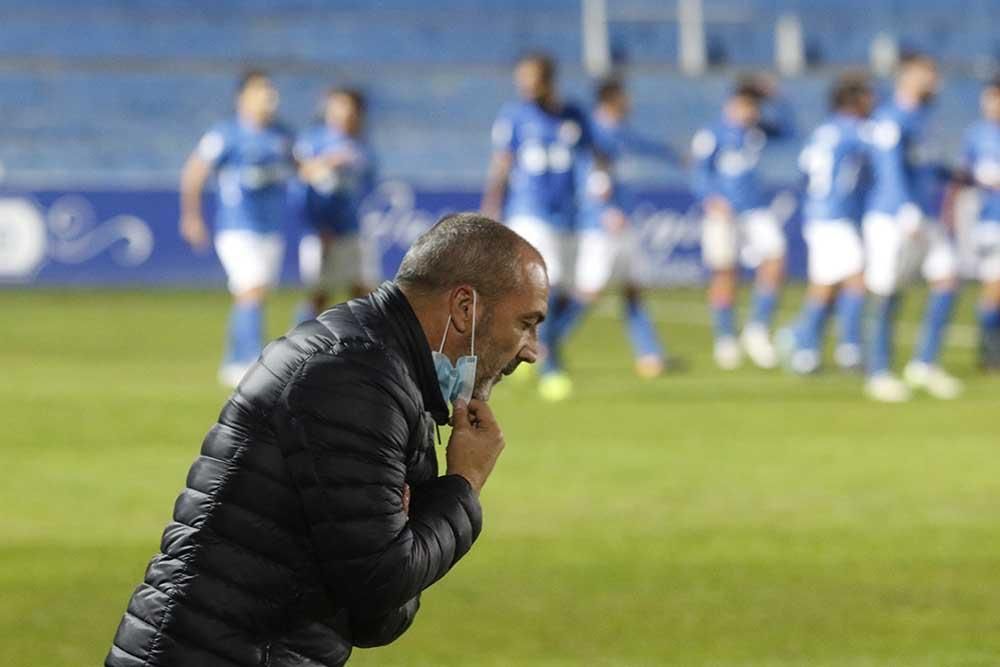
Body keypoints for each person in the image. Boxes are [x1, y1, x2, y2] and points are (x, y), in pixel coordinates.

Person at [105, 213, 548, 667]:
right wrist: (464, 484)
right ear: (464, 308)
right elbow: (382, 582)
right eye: (526, 323)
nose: (532, 350)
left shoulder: (385, 371)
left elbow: (377, 618)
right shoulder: (355, 378)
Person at [482, 52, 609, 401]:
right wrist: (491, 209)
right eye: (522, 78)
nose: (525, 85)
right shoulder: (514, 117)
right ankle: (551, 366)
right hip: (529, 213)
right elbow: (502, 165)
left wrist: (599, 185)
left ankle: (522, 348)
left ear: (549, 80)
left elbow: (594, 155)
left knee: (575, 290)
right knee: (545, 287)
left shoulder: (574, 115)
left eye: (532, 78)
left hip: (569, 215)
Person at [179, 69, 296, 388]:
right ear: (242, 97)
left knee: (252, 293)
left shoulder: (281, 135)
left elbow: (300, 167)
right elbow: (194, 172)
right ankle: (250, 361)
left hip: (270, 228)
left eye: (270, 91)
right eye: (260, 91)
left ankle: (233, 360)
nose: (268, 98)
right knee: (252, 288)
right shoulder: (226, 134)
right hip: (236, 227)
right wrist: (191, 216)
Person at [862, 53, 962, 401]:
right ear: (909, 78)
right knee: (888, 291)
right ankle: (878, 372)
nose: (935, 82)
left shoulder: (924, 119)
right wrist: (904, 209)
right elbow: (888, 167)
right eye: (928, 75)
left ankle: (923, 364)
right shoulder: (891, 118)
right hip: (894, 217)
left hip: (925, 214)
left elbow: (929, 166)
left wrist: (968, 178)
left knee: (948, 279)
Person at [576, 77, 681, 378]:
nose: (631, 103)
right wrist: (604, 209)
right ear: (613, 100)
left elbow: (644, 145)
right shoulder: (594, 132)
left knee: (632, 290)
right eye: (626, 97)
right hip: (603, 225)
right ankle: (544, 344)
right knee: (589, 292)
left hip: (620, 222)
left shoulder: (618, 131)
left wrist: (675, 155)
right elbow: (592, 172)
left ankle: (650, 355)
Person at [690, 75, 795, 370]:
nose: (752, 112)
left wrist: (779, 98)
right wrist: (710, 197)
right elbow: (698, 172)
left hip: (754, 208)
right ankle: (725, 337)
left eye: (756, 106)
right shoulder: (712, 134)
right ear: (733, 104)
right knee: (725, 272)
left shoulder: (757, 132)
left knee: (776, 257)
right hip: (722, 212)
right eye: (748, 105)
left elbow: (791, 131)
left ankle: (757, 328)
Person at [779, 73, 874, 374]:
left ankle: (805, 348)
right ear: (855, 100)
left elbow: (804, 173)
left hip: (818, 214)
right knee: (856, 280)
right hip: (837, 216)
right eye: (868, 96)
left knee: (826, 286)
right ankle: (848, 349)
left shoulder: (822, 133)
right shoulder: (854, 130)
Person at [293, 87, 378, 322]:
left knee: (364, 291)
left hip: (351, 230)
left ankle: (369, 349)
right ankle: (297, 350)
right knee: (318, 295)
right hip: (319, 232)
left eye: (349, 106)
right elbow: (302, 176)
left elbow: (362, 187)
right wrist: (318, 226)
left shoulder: (362, 147)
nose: (344, 112)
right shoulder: (312, 140)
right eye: (339, 105)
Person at [956, 77, 1000, 371]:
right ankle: (989, 351)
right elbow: (962, 177)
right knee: (994, 286)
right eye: (989, 97)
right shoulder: (976, 135)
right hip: (991, 221)